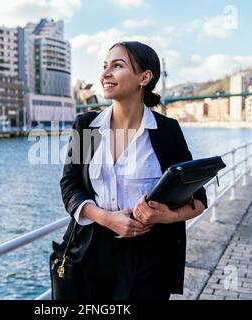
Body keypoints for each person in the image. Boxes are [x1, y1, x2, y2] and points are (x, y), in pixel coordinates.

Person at [59, 41, 208, 300]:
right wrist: (106, 218)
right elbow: (69, 185)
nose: (105, 74)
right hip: (91, 253)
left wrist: (166, 217)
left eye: (117, 66)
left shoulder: (167, 131)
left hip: (150, 259)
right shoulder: (86, 126)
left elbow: (199, 198)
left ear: (145, 77)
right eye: (105, 66)